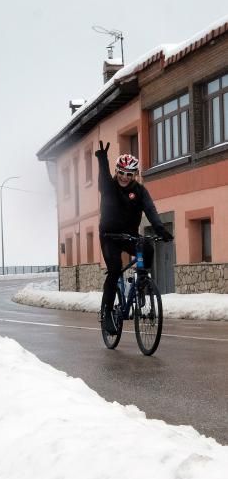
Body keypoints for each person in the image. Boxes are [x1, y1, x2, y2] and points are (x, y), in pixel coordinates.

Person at [95, 140, 173, 334]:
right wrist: (102, 159)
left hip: (129, 235)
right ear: (117, 171)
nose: (124, 177)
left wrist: (159, 228)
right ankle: (106, 314)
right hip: (109, 235)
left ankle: (143, 282)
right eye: (121, 172)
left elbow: (150, 209)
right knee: (114, 271)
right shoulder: (109, 187)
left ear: (135, 175)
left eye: (129, 174)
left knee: (147, 246)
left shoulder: (139, 191)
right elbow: (104, 179)